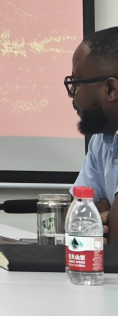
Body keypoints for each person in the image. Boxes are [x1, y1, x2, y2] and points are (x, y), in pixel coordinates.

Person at [67, 27, 118, 243]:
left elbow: (114, 239)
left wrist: (104, 210)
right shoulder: (102, 141)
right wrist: (103, 211)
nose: (73, 96)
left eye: (77, 83)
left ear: (111, 89)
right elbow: (73, 219)